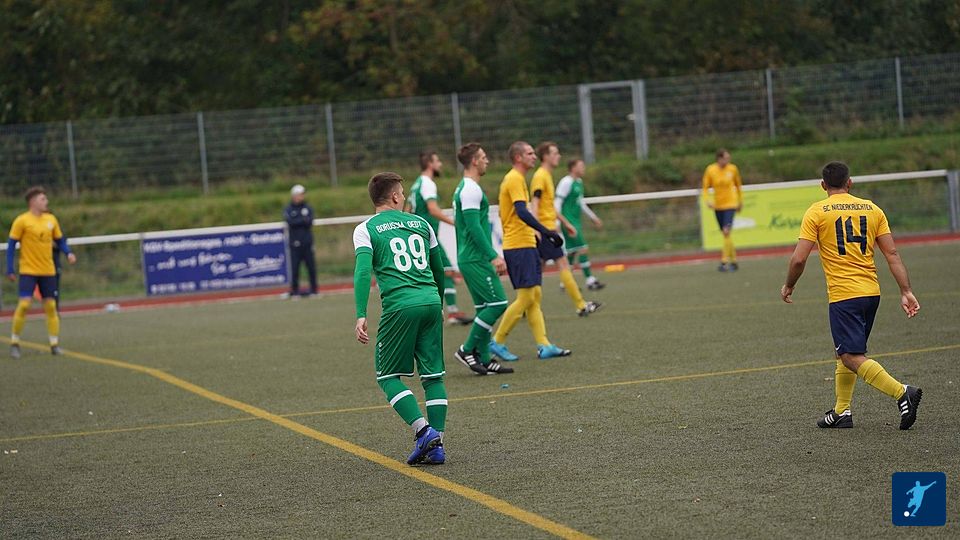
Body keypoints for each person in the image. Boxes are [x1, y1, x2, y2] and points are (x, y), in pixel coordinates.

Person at [781, 161, 922, 430]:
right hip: (871, 294)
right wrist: (906, 291)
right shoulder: (872, 209)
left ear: (823, 185)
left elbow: (798, 259)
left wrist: (789, 285)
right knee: (845, 352)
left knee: (850, 356)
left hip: (844, 295)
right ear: (850, 183)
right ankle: (842, 411)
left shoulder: (817, 211)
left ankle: (902, 392)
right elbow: (892, 254)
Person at [353, 172, 449, 465]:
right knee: (433, 376)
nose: (404, 197)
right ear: (394, 197)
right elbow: (439, 269)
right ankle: (438, 446)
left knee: (387, 376)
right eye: (403, 193)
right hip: (431, 300)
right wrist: (439, 302)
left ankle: (424, 431)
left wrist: (360, 314)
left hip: (400, 306)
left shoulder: (365, 229)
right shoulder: (421, 223)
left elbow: (362, 272)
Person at [489, 141, 570, 361]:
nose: (534, 156)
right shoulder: (514, 178)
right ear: (518, 158)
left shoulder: (519, 179)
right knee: (526, 296)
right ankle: (497, 341)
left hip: (525, 243)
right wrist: (546, 231)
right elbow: (522, 212)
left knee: (534, 295)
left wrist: (536, 234)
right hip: (517, 246)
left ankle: (544, 345)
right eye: (529, 153)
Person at [450, 143, 513, 375]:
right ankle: (466, 350)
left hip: (470, 257)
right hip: (475, 258)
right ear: (474, 161)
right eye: (484, 157)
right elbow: (474, 227)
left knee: (484, 308)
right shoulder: (470, 189)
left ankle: (485, 359)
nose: (487, 161)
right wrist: (493, 256)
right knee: (498, 304)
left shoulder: (465, 187)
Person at [530, 141, 601, 316]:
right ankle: (581, 305)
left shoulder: (546, 175)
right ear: (546, 156)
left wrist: (565, 222)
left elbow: (549, 206)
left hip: (547, 228)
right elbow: (535, 203)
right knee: (562, 264)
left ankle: (528, 305)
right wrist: (537, 227)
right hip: (546, 229)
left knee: (539, 269)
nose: (558, 156)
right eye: (555, 153)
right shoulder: (541, 176)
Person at [7, 186, 77, 357]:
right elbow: (11, 246)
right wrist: (9, 268)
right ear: (33, 202)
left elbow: (60, 240)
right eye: (43, 199)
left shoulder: (51, 219)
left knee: (51, 306)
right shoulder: (22, 221)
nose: (46, 202)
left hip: (48, 270)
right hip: (28, 270)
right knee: (24, 304)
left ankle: (54, 344)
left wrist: (68, 253)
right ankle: (15, 342)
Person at [405, 151, 472, 325]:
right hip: (425, 235)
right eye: (437, 161)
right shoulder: (427, 183)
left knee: (431, 273)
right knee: (446, 270)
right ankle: (452, 313)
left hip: (416, 235)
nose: (440, 164)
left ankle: (436, 312)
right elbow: (433, 209)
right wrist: (456, 223)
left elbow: (407, 211)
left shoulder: (416, 184)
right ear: (430, 164)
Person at [555, 159, 605, 290]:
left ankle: (565, 282)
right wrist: (557, 222)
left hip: (575, 221)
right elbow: (557, 202)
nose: (584, 168)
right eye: (581, 166)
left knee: (572, 252)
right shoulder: (566, 182)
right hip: (568, 222)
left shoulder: (579, 182)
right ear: (573, 168)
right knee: (583, 248)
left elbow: (580, 203)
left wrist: (593, 217)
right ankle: (590, 280)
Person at [702, 149, 742, 271]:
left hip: (730, 204)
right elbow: (705, 187)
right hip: (718, 206)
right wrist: (707, 200)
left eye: (728, 158)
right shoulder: (710, 170)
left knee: (726, 231)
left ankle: (724, 261)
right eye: (726, 158)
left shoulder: (733, 169)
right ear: (719, 159)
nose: (728, 160)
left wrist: (740, 201)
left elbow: (738, 186)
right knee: (726, 234)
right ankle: (734, 261)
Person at [284, 184, 317, 298]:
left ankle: (314, 290)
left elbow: (309, 221)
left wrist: (299, 220)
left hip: (307, 243)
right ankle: (295, 291)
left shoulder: (307, 207)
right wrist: (302, 220)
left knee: (311, 267)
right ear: (294, 195)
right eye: (300, 194)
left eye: (303, 194)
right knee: (295, 268)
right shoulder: (289, 208)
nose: (302, 196)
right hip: (294, 244)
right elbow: (291, 222)